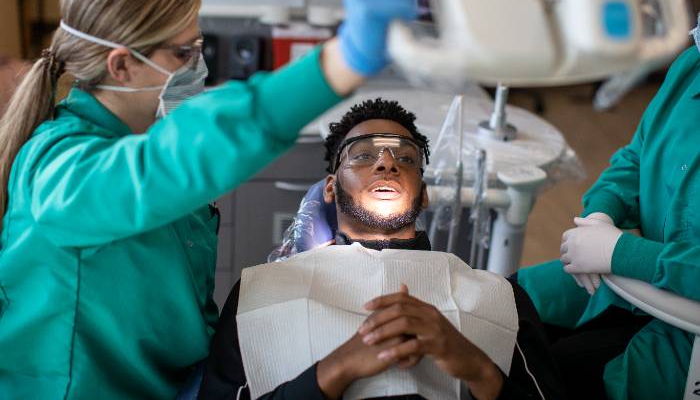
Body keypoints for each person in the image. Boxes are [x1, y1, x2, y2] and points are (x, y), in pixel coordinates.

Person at [0, 0, 418, 399]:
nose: (197, 66)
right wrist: (343, 60)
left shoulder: (141, 135)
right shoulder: (62, 172)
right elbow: (176, 159)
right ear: (121, 64)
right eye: (183, 52)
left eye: (198, 47)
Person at [199, 99, 567, 400]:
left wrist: (477, 368)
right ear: (330, 188)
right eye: (362, 156)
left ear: (423, 195)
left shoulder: (499, 297)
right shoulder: (260, 293)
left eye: (406, 159)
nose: (387, 162)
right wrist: (336, 370)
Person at [517, 43, 700, 399]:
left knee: (540, 376)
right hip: (630, 284)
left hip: (685, 335)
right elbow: (636, 157)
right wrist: (600, 213)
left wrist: (623, 252)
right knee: (501, 301)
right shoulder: (692, 64)